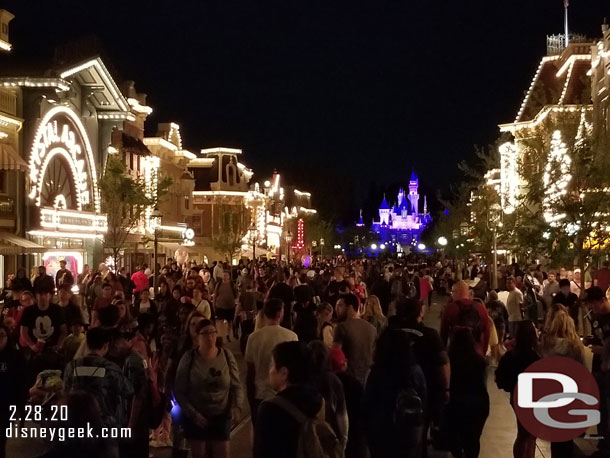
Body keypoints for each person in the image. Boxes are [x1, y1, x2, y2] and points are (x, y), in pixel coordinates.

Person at [388, 297, 450, 454]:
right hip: (425, 390)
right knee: (419, 431)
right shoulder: (430, 335)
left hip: (393, 387)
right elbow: (443, 363)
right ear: (420, 312)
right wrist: (446, 389)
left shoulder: (390, 333)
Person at [174, 319, 243, 458]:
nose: (210, 337)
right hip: (198, 416)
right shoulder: (189, 358)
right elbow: (180, 390)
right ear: (197, 336)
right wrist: (193, 414)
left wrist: (237, 407)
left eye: (212, 332)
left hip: (221, 415)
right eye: (205, 333)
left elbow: (236, 385)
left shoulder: (226, 355)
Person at [253, 341, 325, 458]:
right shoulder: (318, 400)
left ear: (284, 373)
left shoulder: (270, 409)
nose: (270, 370)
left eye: (272, 364)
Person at [363, 326, 427, 458]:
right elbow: (424, 399)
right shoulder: (415, 371)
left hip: (381, 433)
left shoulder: (376, 372)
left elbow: (367, 405)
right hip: (407, 433)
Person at [64, 327, 134, 432]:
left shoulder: (72, 366)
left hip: (77, 424)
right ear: (106, 346)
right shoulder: (111, 368)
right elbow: (128, 391)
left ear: (87, 344)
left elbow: (66, 392)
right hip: (105, 425)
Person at [245, 298, 298, 424]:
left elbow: (250, 372)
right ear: (280, 313)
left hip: (261, 394)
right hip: (284, 395)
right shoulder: (291, 336)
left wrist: (250, 398)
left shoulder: (253, 337)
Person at [495, 321, 540, 458]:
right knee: (530, 435)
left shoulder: (510, 356)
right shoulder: (535, 357)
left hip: (516, 396)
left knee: (523, 434)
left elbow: (500, 380)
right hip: (533, 398)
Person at [447, 328, 489, 458]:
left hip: (456, 402)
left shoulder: (450, 361)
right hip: (477, 403)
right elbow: (483, 384)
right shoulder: (480, 361)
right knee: (473, 440)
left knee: (455, 437)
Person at [583, 286, 610, 457]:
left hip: (606, 368)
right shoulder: (598, 317)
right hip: (599, 367)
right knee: (600, 407)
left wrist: (604, 355)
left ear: (601, 301)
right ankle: (603, 443)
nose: (591, 309)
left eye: (592, 305)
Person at [307, 340, 349, 451]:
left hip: (308, 438)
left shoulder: (303, 379)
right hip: (330, 435)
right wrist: (343, 442)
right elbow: (342, 416)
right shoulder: (333, 380)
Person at [329, 346, 367, 458]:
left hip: (334, 436)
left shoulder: (326, 384)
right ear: (344, 363)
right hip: (355, 435)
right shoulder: (354, 383)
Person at [334, 293, 376, 386]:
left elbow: (336, 355)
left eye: (340, 305)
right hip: (368, 378)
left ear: (350, 307)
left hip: (349, 379)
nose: (336, 309)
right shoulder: (372, 328)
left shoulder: (342, 327)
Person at [440, 280, 491, 355]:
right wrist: (483, 351)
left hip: (456, 353)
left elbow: (443, 333)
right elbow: (487, 331)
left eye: (452, 292)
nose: (451, 295)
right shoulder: (480, 307)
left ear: (458, 292)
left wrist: (444, 353)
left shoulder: (450, 308)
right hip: (476, 352)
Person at [0, 324, 25, 458]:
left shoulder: (15, 356)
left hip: (6, 406)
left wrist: (21, 406)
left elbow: (21, 382)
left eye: (2, 335)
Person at [214, 270, 238, 341]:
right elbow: (215, 295)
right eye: (223, 275)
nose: (224, 277)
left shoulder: (232, 285)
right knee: (220, 322)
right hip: (220, 305)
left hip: (230, 305)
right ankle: (221, 335)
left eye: (226, 275)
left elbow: (236, 294)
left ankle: (228, 333)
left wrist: (236, 304)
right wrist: (214, 305)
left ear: (229, 276)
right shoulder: (218, 284)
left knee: (230, 321)